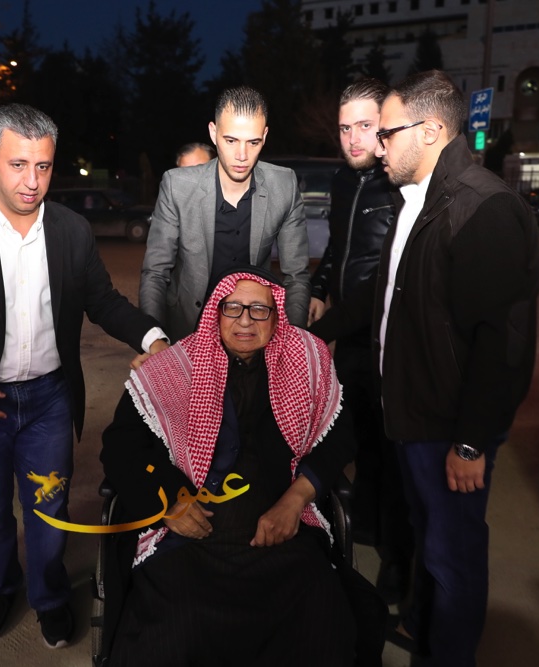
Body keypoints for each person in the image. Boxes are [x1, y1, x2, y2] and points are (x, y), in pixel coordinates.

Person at [0, 104, 168, 648]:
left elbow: (102, 301)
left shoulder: (71, 229)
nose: (32, 181)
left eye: (43, 166)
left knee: (49, 511)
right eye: (18, 165)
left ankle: (49, 596)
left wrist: (153, 339)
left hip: (48, 401)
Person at [101, 266, 381, 666]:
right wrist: (170, 503)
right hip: (190, 539)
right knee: (177, 630)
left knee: (319, 621)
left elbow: (339, 437)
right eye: (233, 308)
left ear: (276, 316)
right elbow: (121, 447)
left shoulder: (307, 361)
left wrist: (295, 501)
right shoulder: (172, 368)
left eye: (258, 310)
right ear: (215, 313)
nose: (245, 321)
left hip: (280, 531)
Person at [372, 70, 539, 666]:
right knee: (431, 544)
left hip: (448, 429)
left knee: (454, 558)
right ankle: (426, 631)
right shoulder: (421, 201)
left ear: (431, 130)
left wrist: (470, 442)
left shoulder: (482, 208)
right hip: (415, 415)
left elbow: (501, 345)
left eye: (387, 133)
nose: (377, 146)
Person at [308, 79, 413, 603]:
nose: (353, 138)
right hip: (349, 339)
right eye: (345, 127)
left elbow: (385, 280)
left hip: (388, 341)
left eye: (365, 126)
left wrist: (321, 330)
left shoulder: (399, 186)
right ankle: (365, 526)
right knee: (358, 439)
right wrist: (319, 288)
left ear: (385, 126)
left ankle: (398, 562)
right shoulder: (342, 180)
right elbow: (337, 247)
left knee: (394, 456)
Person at [139, 86, 311, 341]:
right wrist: (154, 340)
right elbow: (155, 272)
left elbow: (296, 276)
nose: (242, 155)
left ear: (264, 136)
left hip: (252, 331)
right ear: (213, 133)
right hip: (187, 328)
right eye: (231, 141)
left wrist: (293, 341)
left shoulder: (283, 185)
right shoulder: (177, 186)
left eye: (253, 142)